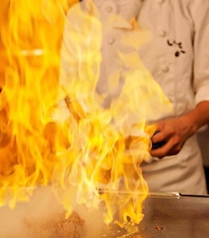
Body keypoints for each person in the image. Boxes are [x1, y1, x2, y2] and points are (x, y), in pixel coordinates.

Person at [61, 0, 209, 195]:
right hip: (103, 173)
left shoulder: (194, 4)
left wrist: (187, 123)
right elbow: (69, 97)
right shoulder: (80, 15)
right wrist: (91, 136)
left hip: (175, 173)